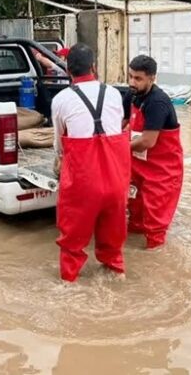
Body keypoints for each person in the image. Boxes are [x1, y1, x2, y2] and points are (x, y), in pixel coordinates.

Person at [52, 43, 131, 282]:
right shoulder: (115, 94)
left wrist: (58, 163)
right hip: (116, 179)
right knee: (113, 235)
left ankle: (70, 281)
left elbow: (60, 144)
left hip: (82, 183)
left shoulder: (61, 99)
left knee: (72, 240)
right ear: (94, 67)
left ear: (68, 71)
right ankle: (115, 272)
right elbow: (114, 130)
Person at [123, 55, 184, 249]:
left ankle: (154, 259)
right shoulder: (130, 95)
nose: (133, 82)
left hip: (162, 171)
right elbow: (122, 124)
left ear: (152, 78)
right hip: (137, 166)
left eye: (138, 78)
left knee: (155, 222)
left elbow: (148, 141)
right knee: (134, 212)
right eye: (130, 76)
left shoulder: (158, 102)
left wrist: (118, 148)